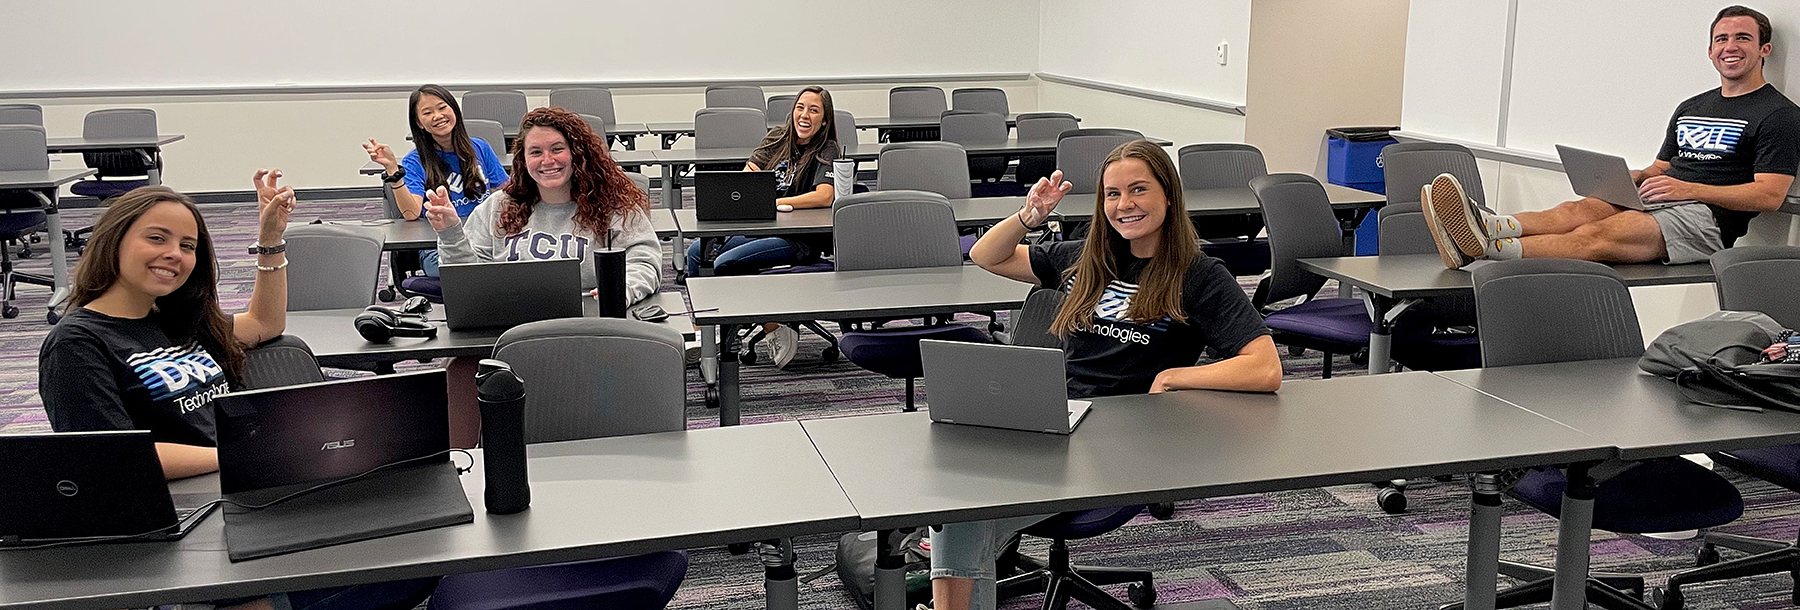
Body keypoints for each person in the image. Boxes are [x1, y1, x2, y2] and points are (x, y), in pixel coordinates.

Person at [37, 178, 441, 610]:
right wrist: (244, 455)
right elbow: (112, 459)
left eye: (188, 246)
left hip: (244, 494)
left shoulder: (176, 318)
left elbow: (266, 324)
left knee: (417, 535)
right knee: (403, 567)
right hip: (190, 513)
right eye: (157, 238)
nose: (175, 254)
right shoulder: (77, 344)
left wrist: (270, 239)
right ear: (114, 240)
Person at [934, 140, 1282, 610]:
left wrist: (1178, 376)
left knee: (964, 510)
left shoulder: (1197, 275)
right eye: (1112, 194)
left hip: (1123, 440)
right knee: (956, 496)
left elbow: (1264, 366)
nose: (1125, 205)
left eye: (1138, 189)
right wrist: (1028, 216)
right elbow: (986, 255)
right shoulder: (1086, 257)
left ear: (1168, 195)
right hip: (1058, 420)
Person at [1424, 5, 1799, 269]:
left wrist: (1690, 190)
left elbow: (1769, 195)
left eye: (1742, 38)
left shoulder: (1779, 114)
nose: (1730, 46)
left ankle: (1482, 250)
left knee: (1596, 234)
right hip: (1660, 197)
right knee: (1575, 211)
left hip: (1707, 221)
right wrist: (1634, 178)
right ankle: (1486, 227)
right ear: (1710, 50)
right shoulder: (1691, 106)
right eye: (1722, 39)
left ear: (1763, 49)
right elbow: (1660, 167)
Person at [423, 105, 661, 302]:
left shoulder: (614, 206)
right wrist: (451, 232)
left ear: (578, 154)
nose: (547, 161)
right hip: (510, 326)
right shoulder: (497, 207)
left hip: (592, 325)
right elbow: (468, 281)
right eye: (535, 152)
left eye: (557, 149)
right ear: (523, 160)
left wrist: (621, 290)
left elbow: (644, 261)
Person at [683, 85, 840, 368]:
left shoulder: (826, 148)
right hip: (761, 227)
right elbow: (748, 176)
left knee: (727, 262)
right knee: (696, 252)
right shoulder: (777, 138)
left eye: (814, 110)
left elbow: (825, 194)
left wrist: (781, 203)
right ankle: (706, 336)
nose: (805, 115)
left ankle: (769, 324)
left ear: (824, 120)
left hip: (798, 238)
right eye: (800, 108)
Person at [364, 84, 510, 276]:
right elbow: (411, 213)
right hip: (439, 243)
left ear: (453, 109)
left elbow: (506, 192)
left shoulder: (480, 147)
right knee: (472, 272)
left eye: (442, 108)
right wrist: (392, 169)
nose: (437, 116)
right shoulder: (415, 160)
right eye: (427, 112)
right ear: (418, 122)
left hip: (483, 237)